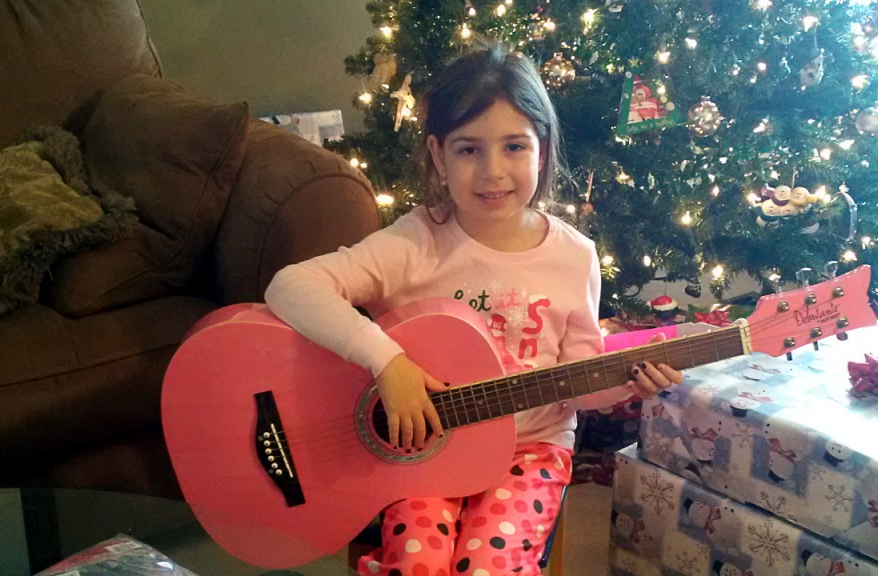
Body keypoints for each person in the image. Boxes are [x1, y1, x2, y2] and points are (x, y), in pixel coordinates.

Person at [265, 43, 681, 575]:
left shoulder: (573, 256)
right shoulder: (415, 242)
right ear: (438, 154)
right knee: (420, 563)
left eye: (514, 146)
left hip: (529, 449)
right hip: (423, 453)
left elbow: (579, 381)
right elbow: (291, 285)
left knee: (489, 566)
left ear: (543, 149)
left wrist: (628, 380)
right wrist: (386, 362)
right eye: (468, 150)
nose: (492, 172)